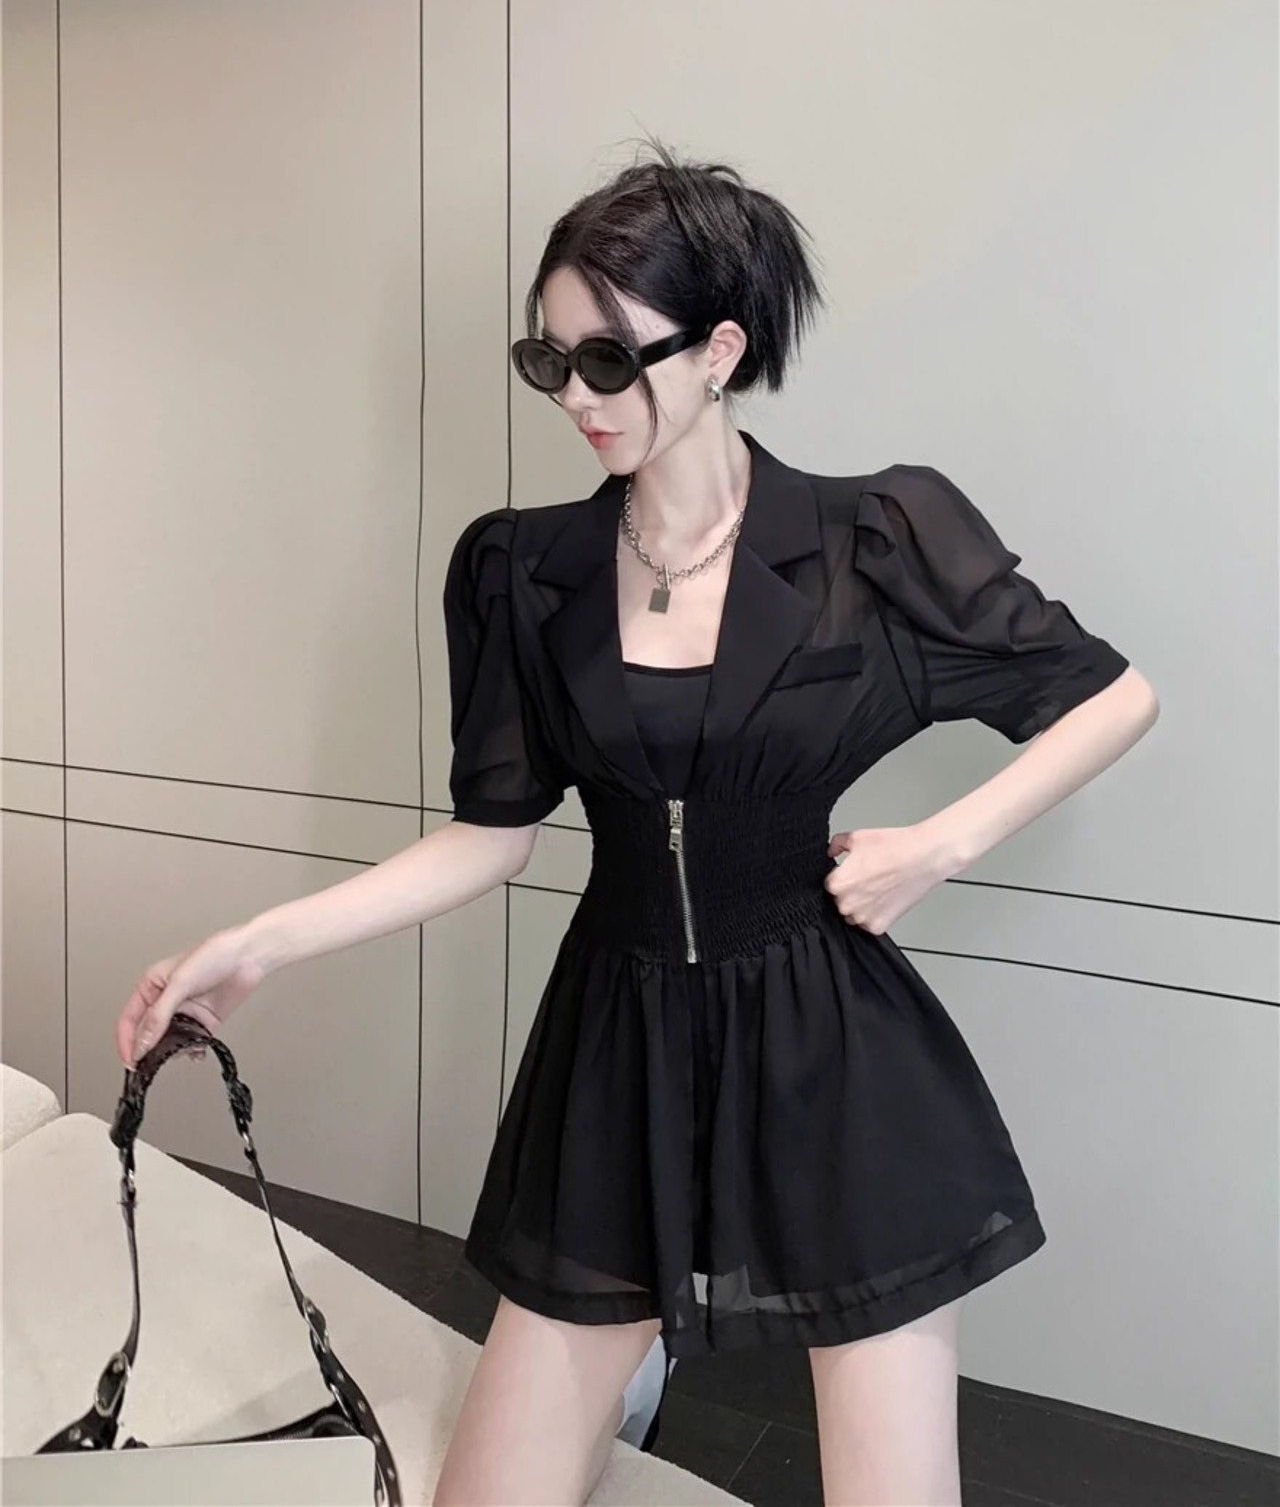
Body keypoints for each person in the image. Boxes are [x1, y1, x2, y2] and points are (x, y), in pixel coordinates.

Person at [116, 142, 1159, 1507]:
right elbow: (493, 834)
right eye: (550, 362)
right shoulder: (521, 569)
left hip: (831, 1056)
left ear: (721, 350)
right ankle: (639, 1362)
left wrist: (938, 846)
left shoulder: (874, 537)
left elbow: (1112, 695)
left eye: (610, 361)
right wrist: (259, 942)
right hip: (615, 1051)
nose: (576, 397)